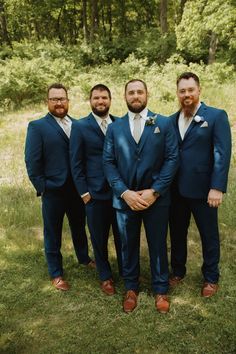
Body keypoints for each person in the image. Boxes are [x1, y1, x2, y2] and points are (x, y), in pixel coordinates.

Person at [103, 79, 179, 313]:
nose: (136, 96)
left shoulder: (163, 123)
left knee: (157, 244)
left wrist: (155, 191)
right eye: (131, 92)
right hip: (125, 200)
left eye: (139, 92)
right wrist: (124, 193)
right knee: (128, 245)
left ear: (147, 94)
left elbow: (172, 159)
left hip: (156, 199)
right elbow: (108, 162)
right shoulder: (114, 128)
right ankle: (131, 288)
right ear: (125, 96)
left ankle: (160, 289)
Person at [25, 83, 94, 291]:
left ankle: (83, 258)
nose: (59, 102)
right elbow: (32, 160)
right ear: (47, 102)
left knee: (79, 226)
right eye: (54, 99)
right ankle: (56, 273)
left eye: (62, 98)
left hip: (77, 190)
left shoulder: (78, 124)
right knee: (52, 232)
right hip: (53, 191)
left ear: (68, 101)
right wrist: (42, 187)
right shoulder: (37, 127)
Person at [169, 72, 231, 297]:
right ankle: (177, 271)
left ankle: (211, 277)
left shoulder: (215, 116)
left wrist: (217, 187)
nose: (187, 94)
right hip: (176, 190)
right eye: (182, 91)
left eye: (190, 90)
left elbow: (222, 153)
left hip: (205, 190)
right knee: (176, 232)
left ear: (199, 90)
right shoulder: (171, 120)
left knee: (208, 234)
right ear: (178, 93)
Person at [70, 84, 122, 295]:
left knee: (122, 235)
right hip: (94, 194)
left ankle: (127, 272)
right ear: (90, 101)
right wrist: (84, 193)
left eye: (104, 98)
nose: (101, 101)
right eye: (96, 98)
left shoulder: (119, 123)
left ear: (110, 100)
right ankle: (105, 276)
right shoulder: (81, 126)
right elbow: (76, 162)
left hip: (119, 193)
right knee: (99, 238)